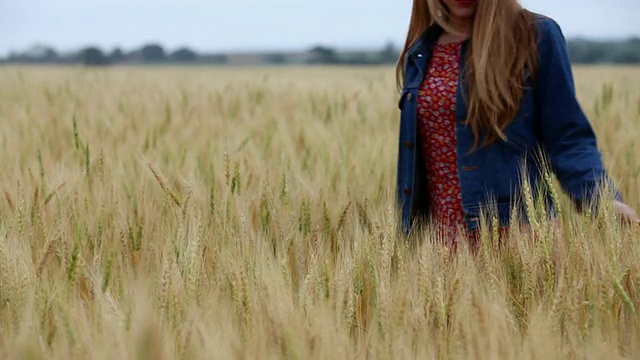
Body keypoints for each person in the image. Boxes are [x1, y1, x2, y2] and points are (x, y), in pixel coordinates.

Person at [395, 0, 639, 246]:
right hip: (438, 243)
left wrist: (599, 196)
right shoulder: (421, 51)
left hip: (518, 239)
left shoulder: (534, 35)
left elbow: (567, 134)